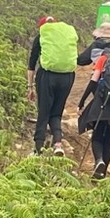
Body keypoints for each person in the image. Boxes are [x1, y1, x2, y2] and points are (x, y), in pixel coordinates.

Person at [74, 30, 110, 179]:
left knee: (97, 137)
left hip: (101, 105)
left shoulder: (103, 59)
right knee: (109, 140)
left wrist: (82, 102)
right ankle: (103, 172)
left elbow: (93, 81)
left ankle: (98, 161)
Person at [27, 14, 80, 154]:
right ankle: (58, 144)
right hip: (68, 77)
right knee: (56, 113)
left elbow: (31, 64)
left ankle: (38, 148)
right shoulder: (64, 37)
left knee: (44, 112)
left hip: (48, 76)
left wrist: (30, 86)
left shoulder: (41, 37)